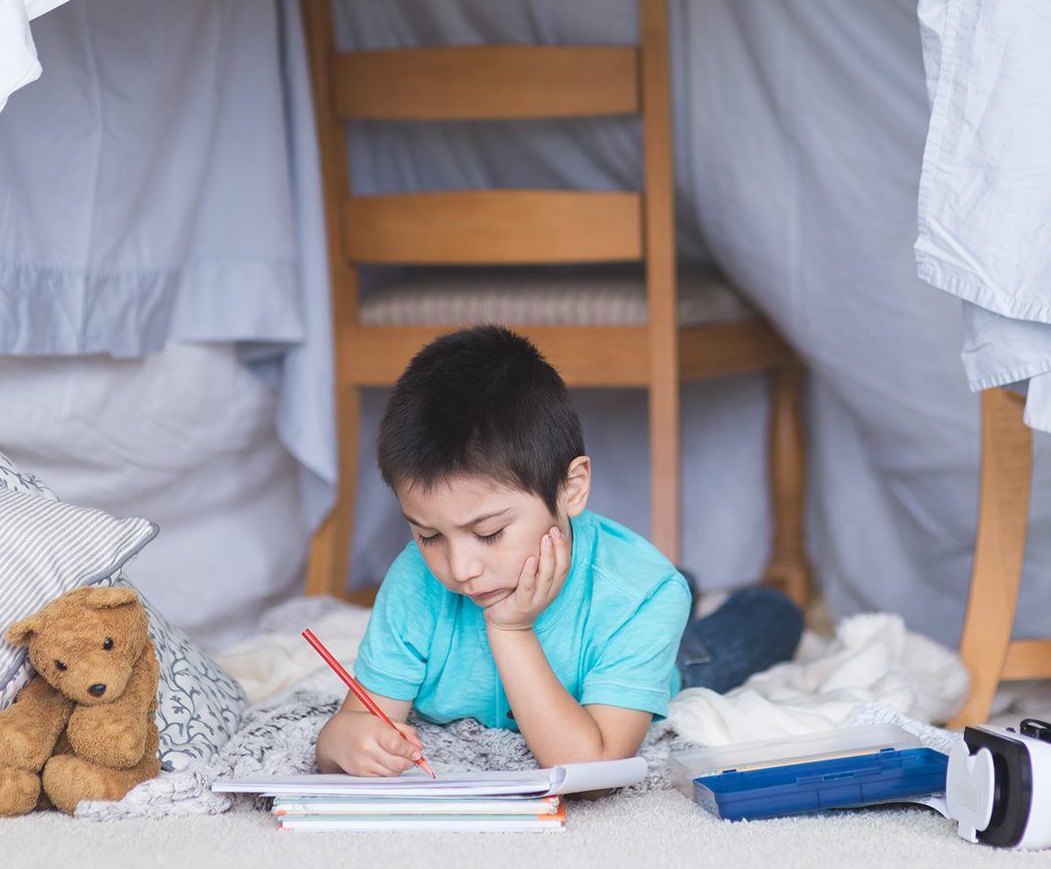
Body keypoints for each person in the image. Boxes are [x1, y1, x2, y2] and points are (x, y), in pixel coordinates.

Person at [315, 324, 802, 776]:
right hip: (608, 597)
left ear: (572, 488)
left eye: (488, 533)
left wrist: (511, 629)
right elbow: (357, 722)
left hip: (641, 635)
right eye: (428, 535)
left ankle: (694, 593)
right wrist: (345, 742)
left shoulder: (641, 597)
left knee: (759, 621)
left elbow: (592, 769)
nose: (460, 569)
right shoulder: (416, 581)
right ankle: (682, 581)